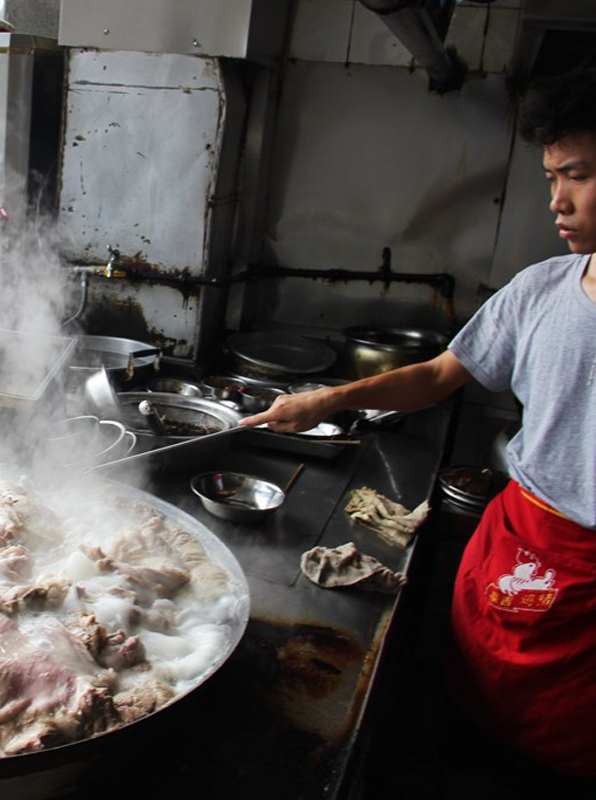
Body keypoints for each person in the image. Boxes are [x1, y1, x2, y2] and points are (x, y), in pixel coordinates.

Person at [240, 63, 596, 788]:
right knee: (461, 737)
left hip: (587, 597)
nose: (557, 200)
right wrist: (328, 400)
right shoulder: (541, 290)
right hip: (514, 550)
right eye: (551, 175)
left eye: (580, 175)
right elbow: (438, 375)